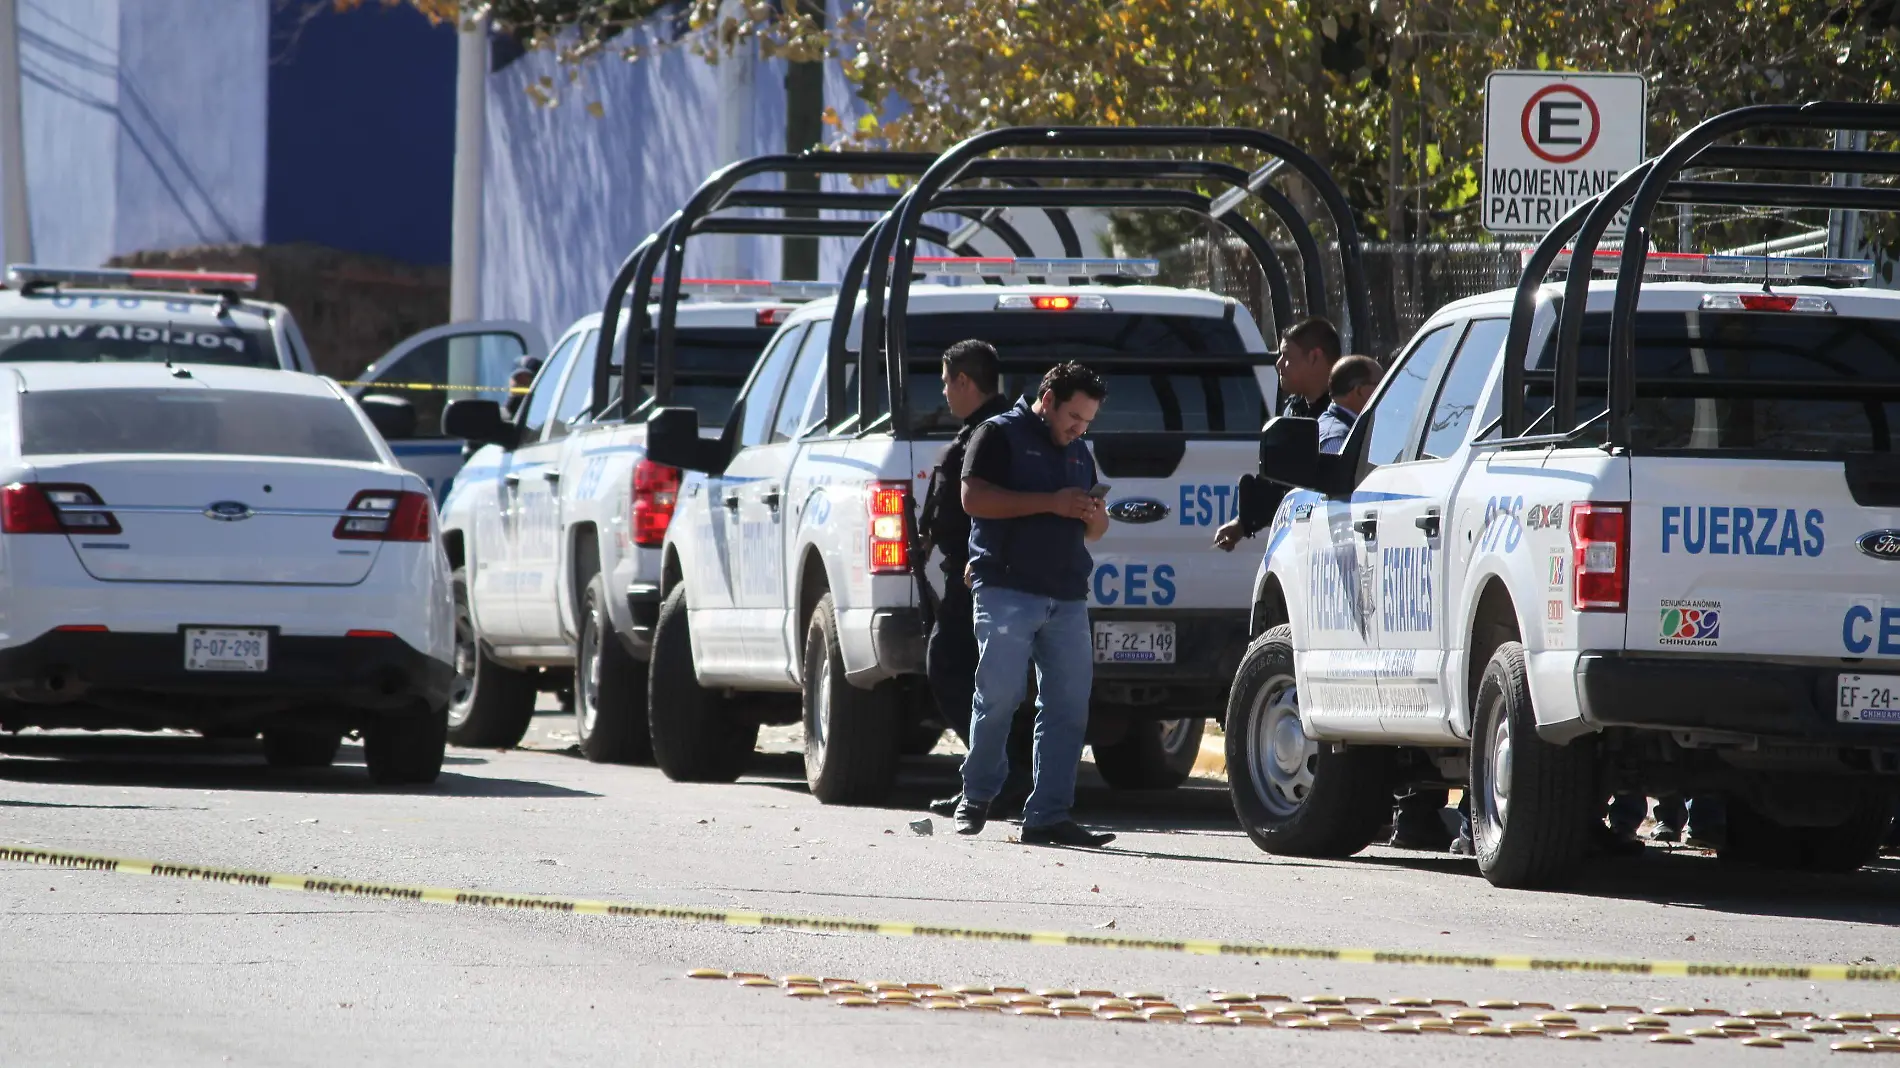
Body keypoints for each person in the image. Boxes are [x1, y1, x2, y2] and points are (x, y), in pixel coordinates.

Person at [951, 362, 1114, 847]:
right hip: (1005, 587)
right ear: (1047, 398)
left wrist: (1092, 514)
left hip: (1066, 594)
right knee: (998, 696)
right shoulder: (997, 435)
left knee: (1067, 708)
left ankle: (1047, 816)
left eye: (1087, 421)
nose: (1079, 428)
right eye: (1073, 417)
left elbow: (1095, 532)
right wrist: (1052, 502)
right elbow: (973, 499)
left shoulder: (1080, 453)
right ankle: (977, 793)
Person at [919, 340, 1009, 743]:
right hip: (971, 571)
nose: (943, 392)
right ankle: (989, 774)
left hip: (981, 573)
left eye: (945, 382)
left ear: (963, 380)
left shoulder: (992, 433)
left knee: (949, 668)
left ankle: (995, 771)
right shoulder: (983, 430)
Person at [1214, 316, 1342, 552]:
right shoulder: (1295, 410)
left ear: (1315, 357)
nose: (1279, 364)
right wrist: (1242, 524)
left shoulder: (1346, 413)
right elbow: (1281, 477)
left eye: (1287, 357)